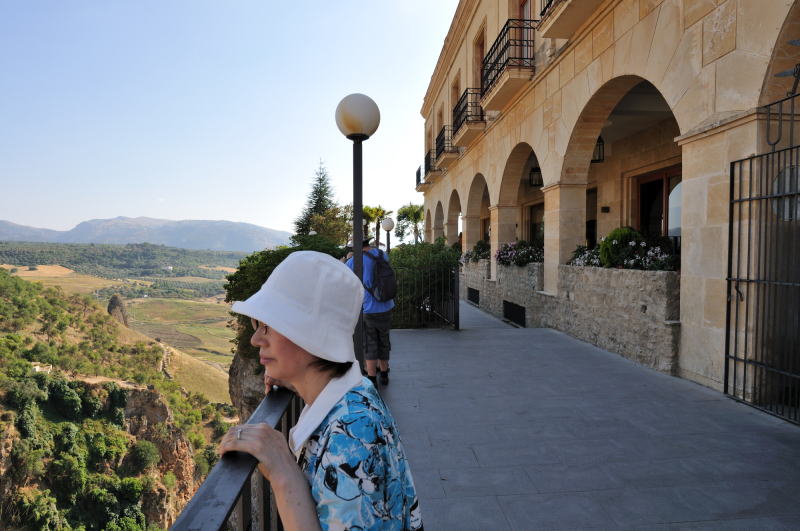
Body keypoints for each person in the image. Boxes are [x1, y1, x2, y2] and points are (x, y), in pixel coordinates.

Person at [219, 251, 422, 531]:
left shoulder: (350, 441)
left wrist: (282, 470)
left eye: (267, 325)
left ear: (309, 334)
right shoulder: (356, 390)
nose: (256, 339)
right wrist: (293, 377)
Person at [346, 238, 394, 386]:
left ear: (355, 248)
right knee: (384, 340)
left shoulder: (354, 261)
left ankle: (372, 377)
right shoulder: (381, 254)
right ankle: (384, 373)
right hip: (386, 305)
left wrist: (347, 260)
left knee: (369, 343)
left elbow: (345, 277)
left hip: (368, 308)